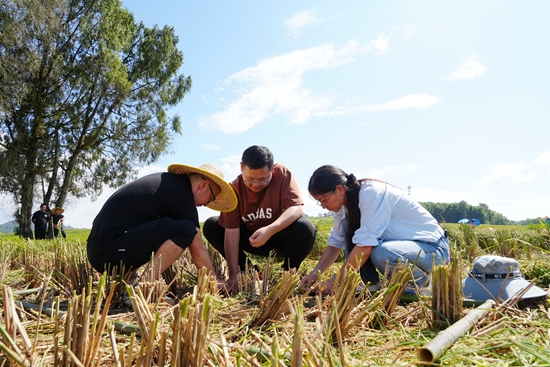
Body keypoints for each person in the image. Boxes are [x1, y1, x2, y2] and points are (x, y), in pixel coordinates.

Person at [300, 165, 450, 295]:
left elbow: (365, 247)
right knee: (351, 227)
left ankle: (419, 282)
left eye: (324, 200)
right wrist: (314, 275)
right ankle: (369, 282)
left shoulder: (372, 194)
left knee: (382, 253)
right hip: (404, 248)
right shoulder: (343, 208)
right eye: (320, 203)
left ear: (339, 189)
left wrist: (335, 281)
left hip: (433, 249)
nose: (324, 207)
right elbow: (334, 246)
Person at [87, 163, 237, 291]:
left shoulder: (169, 184)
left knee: (171, 225)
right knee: (186, 229)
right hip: (109, 252)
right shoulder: (181, 195)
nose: (207, 204)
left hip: (103, 251)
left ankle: (131, 281)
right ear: (204, 185)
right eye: (210, 198)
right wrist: (213, 281)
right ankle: (142, 289)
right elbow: (197, 247)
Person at [203, 145, 316, 289]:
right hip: (252, 240)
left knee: (305, 228)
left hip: (279, 237)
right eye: (249, 179)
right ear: (241, 167)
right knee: (212, 226)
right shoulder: (234, 189)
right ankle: (248, 271)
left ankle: (287, 275)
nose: (256, 185)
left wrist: (270, 229)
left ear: (272, 170)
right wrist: (233, 275)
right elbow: (231, 234)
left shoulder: (282, 173)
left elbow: (296, 208)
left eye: (263, 179)